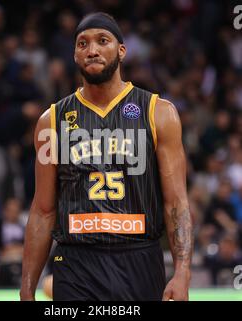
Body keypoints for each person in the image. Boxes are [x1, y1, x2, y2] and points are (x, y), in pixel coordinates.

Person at [20, 12, 193, 301]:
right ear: (75, 55)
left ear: (121, 51)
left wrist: (183, 270)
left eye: (103, 41)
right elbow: (43, 210)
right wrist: (27, 288)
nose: (92, 50)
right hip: (76, 263)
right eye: (82, 44)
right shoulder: (51, 121)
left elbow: (176, 202)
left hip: (140, 259)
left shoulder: (158, 113)